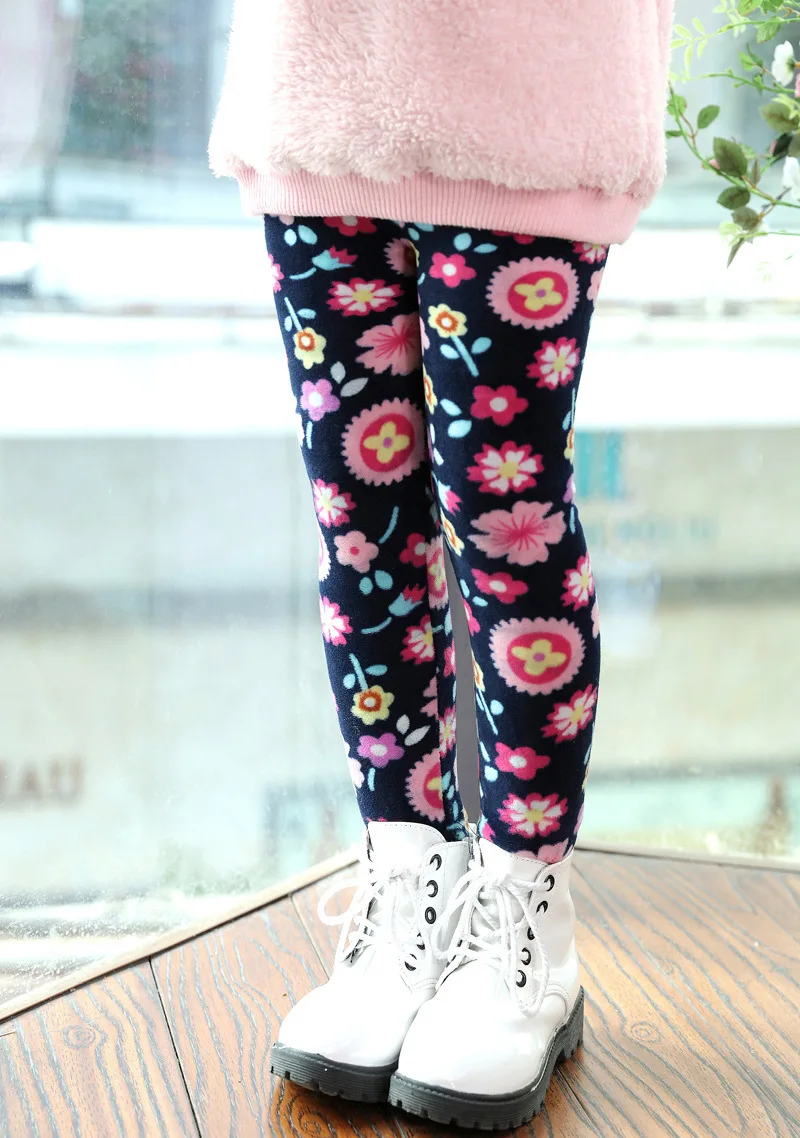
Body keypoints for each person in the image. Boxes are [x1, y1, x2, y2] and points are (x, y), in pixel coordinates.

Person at [209, 2, 674, 1129]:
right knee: (362, 532)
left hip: (535, 87)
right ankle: (407, 882)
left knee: (508, 522)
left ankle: (525, 918)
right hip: (319, 80)